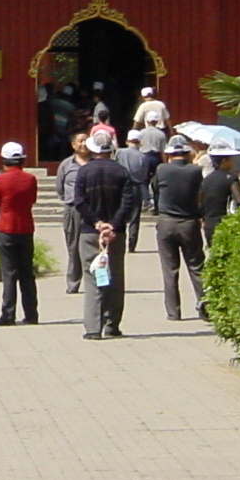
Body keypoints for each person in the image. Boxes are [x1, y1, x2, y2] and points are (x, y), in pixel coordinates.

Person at [74, 131, 136, 340]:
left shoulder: (83, 172)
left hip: (90, 232)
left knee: (92, 279)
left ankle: (93, 327)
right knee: (115, 278)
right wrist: (113, 226)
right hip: (115, 235)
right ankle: (112, 325)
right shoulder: (122, 172)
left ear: (92, 148)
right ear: (111, 149)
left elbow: (79, 202)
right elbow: (128, 203)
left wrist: (98, 223)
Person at [149, 135, 206, 320]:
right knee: (196, 266)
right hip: (189, 222)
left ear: (169, 153)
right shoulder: (195, 171)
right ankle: (206, 306)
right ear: (187, 152)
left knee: (170, 269)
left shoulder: (162, 169)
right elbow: (199, 191)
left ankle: (173, 312)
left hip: (166, 222)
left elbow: (156, 188)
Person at [0, 141, 39, 325]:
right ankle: (31, 314)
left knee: (9, 273)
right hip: (25, 228)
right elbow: (31, 200)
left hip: (5, 228)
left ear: (3, 160)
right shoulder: (31, 179)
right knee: (26, 272)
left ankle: (8, 314)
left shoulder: (0, 180)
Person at [56, 131, 90, 294]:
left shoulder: (95, 163)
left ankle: (98, 282)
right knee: (73, 247)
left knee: (96, 246)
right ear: (73, 145)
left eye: (86, 140)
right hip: (73, 209)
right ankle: (73, 282)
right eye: (80, 141)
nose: (84, 143)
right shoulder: (66, 164)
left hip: (92, 210)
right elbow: (60, 187)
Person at [199, 144, 240, 250]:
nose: (232, 162)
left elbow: (200, 203)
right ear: (224, 161)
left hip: (209, 225)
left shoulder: (206, 179)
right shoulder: (231, 178)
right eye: (230, 159)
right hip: (225, 223)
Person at [117, 125, 155, 254]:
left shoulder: (120, 153)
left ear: (127, 141)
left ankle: (119, 242)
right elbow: (145, 176)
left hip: (121, 187)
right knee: (134, 218)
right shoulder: (144, 157)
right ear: (139, 142)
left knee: (120, 214)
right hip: (136, 187)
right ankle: (132, 245)